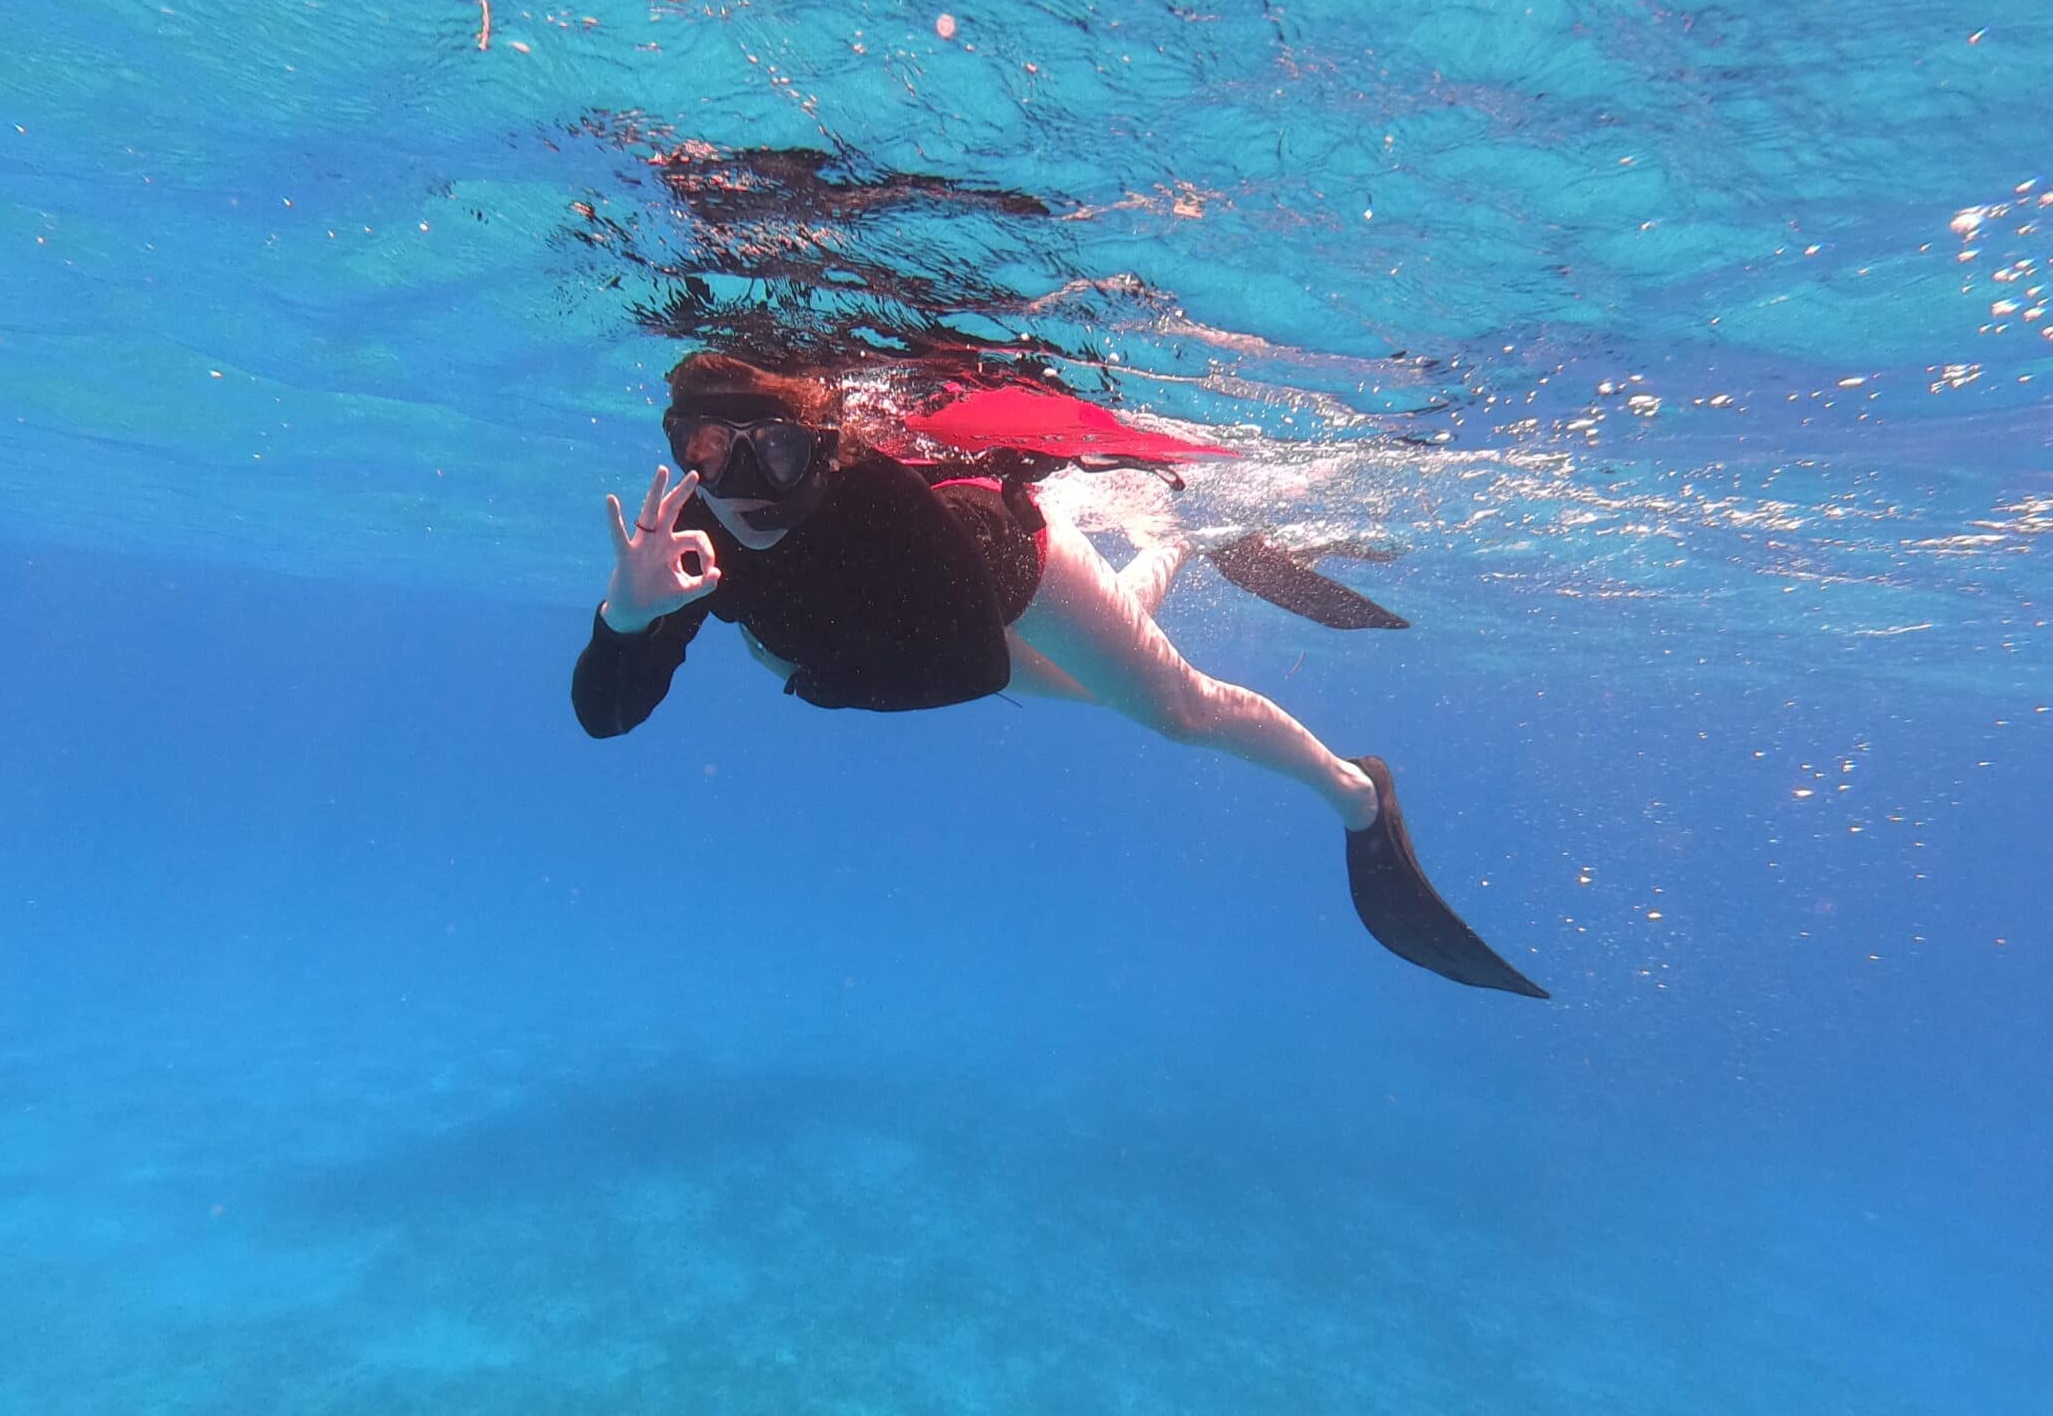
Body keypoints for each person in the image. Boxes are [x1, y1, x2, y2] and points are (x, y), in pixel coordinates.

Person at [572, 352, 1547, 998]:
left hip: (996, 577)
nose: (741, 489)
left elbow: (970, 664)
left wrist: (812, 681)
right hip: (876, 646)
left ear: (823, 450)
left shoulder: (884, 506)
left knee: (1174, 710)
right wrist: (628, 616)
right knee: (1097, 687)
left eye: (773, 453)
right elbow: (604, 719)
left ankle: (1357, 797)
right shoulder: (681, 539)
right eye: (705, 454)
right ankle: (1176, 540)